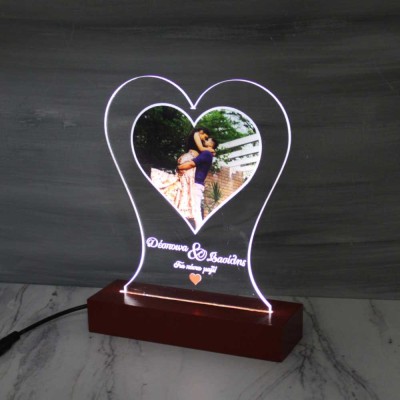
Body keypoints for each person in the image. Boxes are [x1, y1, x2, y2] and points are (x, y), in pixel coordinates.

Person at [150, 128, 215, 224]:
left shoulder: (203, 150)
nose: (204, 139)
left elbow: (199, 153)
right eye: (205, 137)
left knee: (185, 187)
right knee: (184, 185)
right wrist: (211, 149)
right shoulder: (197, 134)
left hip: (191, 162)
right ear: (202, 132)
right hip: (190, 160)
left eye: (207, 139)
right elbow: (201, 149)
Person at [177, 137, 218, 229]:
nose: (205, 140)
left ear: (212, 144)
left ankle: (199, 230)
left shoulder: (206, 153)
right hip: (195, 183)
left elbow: (192, 164)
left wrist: (179, 167)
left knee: (195, 210)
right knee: (194, 209)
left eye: (207, 140)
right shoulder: (206, 153)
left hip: (196, 184)